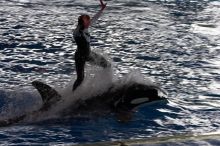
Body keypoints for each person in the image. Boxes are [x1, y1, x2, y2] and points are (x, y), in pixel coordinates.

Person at [72, 0, 111, 91]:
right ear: (82, 22)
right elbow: (78, 29)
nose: (90, 21)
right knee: (80, 78)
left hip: (88, 54)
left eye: (89, 20)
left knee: (107, 65)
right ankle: (72, 95)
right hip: (80, 56)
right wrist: (81, 24)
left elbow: (94, 19)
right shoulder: (77, 32)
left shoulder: (86, 28)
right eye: (87, 20)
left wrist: (102, 10)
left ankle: (105, 86)